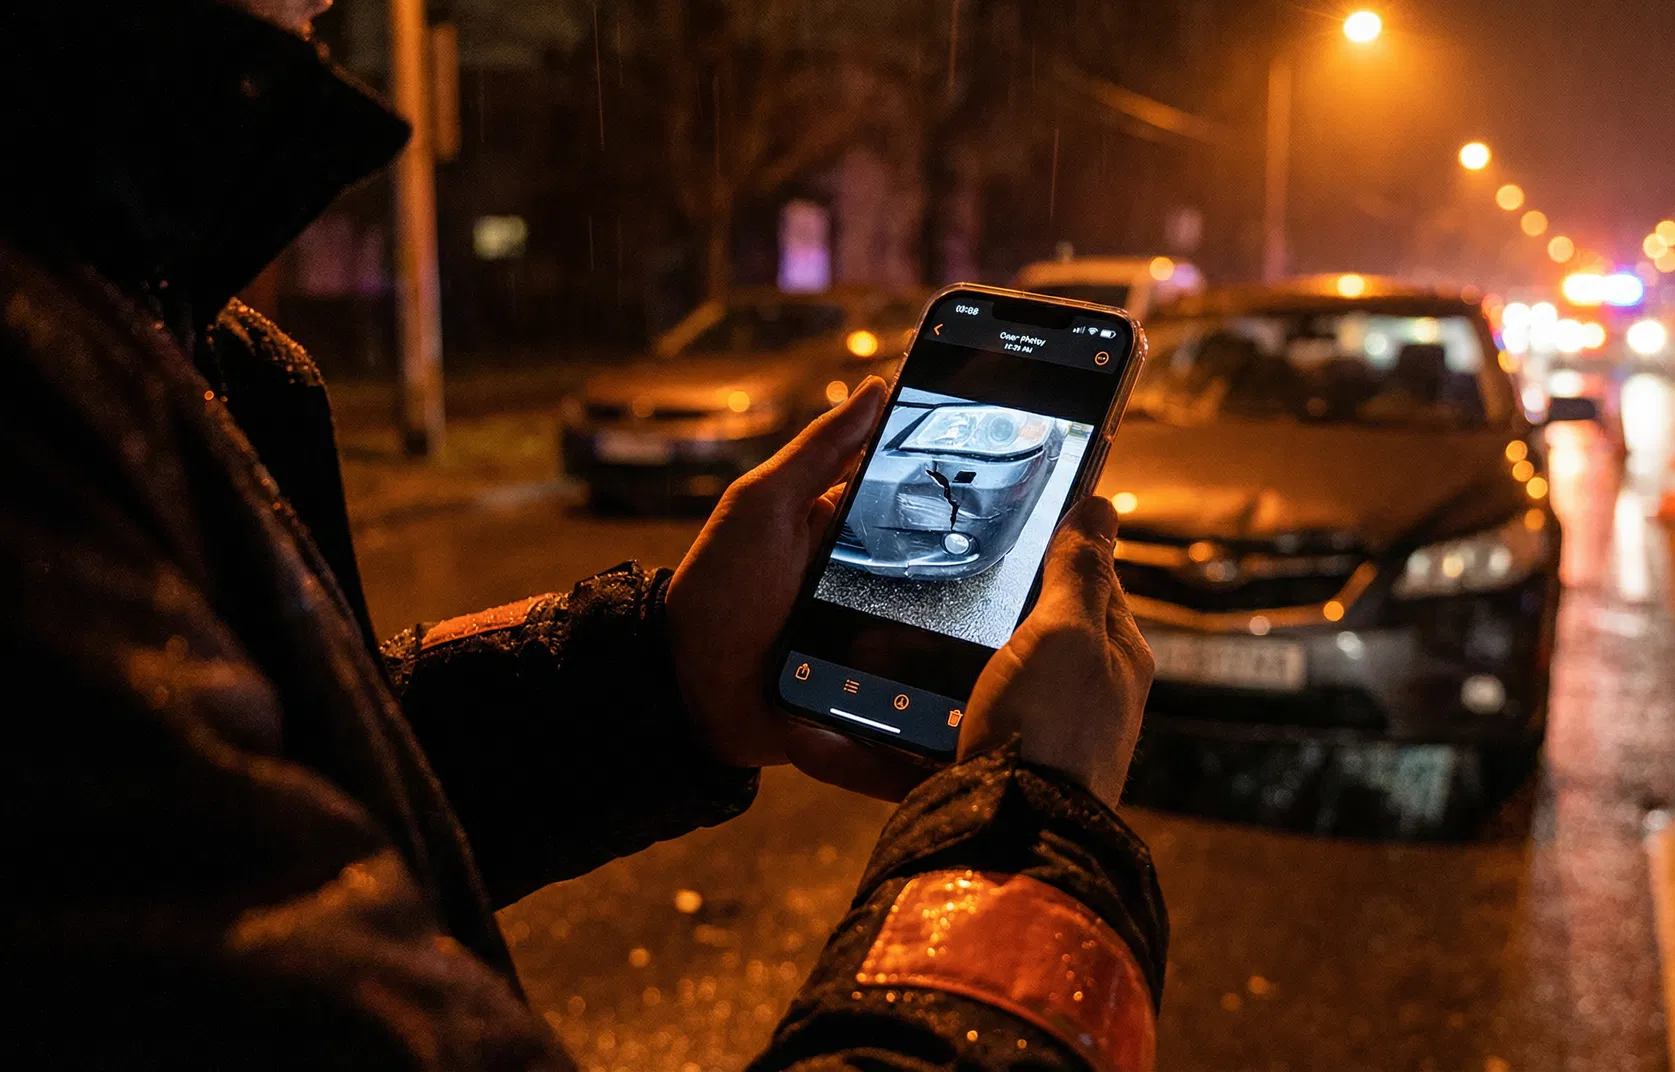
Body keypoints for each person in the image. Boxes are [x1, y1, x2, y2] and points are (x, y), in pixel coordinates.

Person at [0, 1, 1166, 1068]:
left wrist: (665, 679)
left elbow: (282, 790)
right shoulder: (41, 389)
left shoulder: (130, 317)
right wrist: (1028, 847)